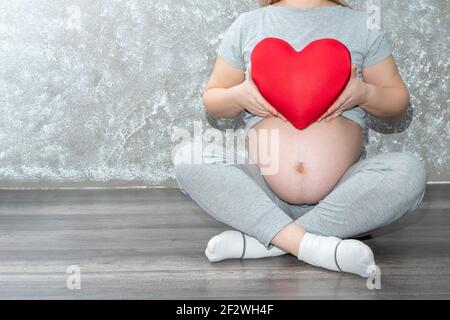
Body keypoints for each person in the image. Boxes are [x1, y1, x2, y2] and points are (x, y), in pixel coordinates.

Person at [173, 0, 427, 278]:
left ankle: (270, 241)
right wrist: (236, 96)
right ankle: (312, 244)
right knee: (189, 156)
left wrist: (366, 94)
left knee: (409, 171)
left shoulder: (361, 25)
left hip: (342, 198)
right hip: (263, 196)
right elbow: (213, 99)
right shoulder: (248, 24)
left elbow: (397, 101)